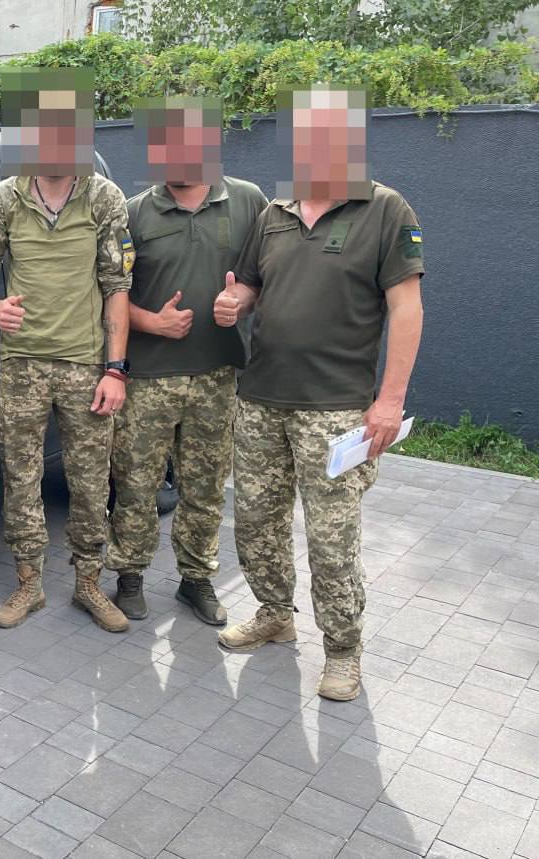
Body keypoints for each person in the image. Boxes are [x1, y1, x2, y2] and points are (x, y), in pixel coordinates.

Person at [215, 86, 426, 702]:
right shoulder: (274, 213)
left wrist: (390, 401)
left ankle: (342, 652)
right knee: (256, 522)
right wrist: (233, 303)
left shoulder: (386, 210)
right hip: (261, 399)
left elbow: (406, 309)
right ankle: (274, 613)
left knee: (332, 540)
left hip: (336, 409)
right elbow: (250, 286)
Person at [0, 77, 134, 633]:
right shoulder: (5, 198)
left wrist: (115, 370)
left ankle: (89, 584)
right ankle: (28, 584)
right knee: (21, 477)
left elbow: (117, 286)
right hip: (22, 364)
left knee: (90, 482)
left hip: (86, 365)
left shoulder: (103, 197)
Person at [105, 96, 267, 626]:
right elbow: (108, 291)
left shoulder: (248, 201)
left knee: (205, 487)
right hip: (148, 378)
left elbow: (262, 277)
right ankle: (129, 575)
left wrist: (239, 300)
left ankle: (196, 580)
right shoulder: (133, 212)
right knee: (136, 484)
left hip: (216, 375)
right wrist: (152, 323)